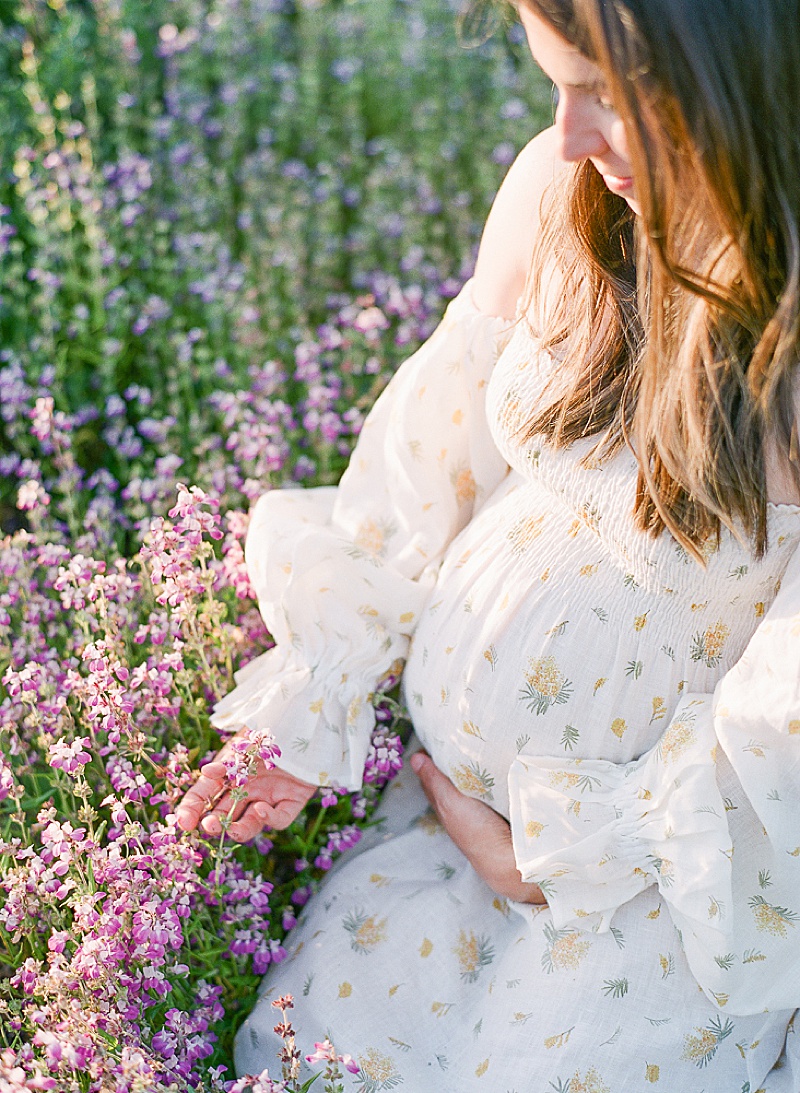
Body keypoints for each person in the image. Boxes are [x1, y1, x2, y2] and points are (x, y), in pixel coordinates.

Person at [176, 0, 800, 1088]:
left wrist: (565, 854)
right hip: (434, 828)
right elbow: (425, 470)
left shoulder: (781, 353)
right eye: (554, 82)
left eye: (611, 94)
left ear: (740, 84)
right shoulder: (560, 200)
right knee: (312, 1067)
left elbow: (785, 712)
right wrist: (320, 694)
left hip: (650, 900)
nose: (568, 134)